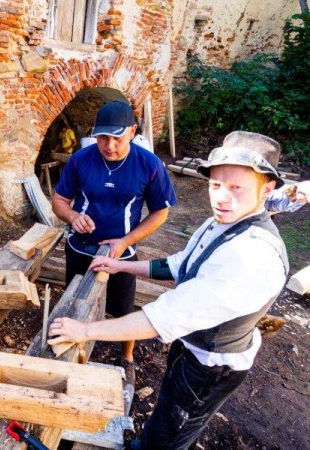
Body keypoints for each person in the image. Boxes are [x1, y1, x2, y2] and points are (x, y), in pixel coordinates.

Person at [48, 131, 289, 450]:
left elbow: (164, 317)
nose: (221, 198)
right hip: (191, 347)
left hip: (211, 366)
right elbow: (179, 264)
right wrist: (121, 266)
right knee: (166, 414)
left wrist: (85, 330)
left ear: (266, 189)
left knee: (175, 430)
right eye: (216, 185)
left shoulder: (251, 255)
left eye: (236, 188)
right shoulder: (221, 223)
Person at [51, 100, 177, 384]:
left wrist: (125, 240)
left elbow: (160, 212)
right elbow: (59, 200)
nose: (109, 146)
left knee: (123, 308)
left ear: (133, 131)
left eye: (117, 138)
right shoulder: (80, 160)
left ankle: (127, 357)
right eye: (102, 138)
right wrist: (72, 217)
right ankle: (72, 353)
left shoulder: (149, 165)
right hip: (80, 248)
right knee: (74, 302)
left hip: (121, 254)